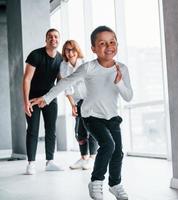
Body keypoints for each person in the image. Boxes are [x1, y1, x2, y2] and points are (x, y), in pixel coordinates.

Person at [30, 26, 133, 200]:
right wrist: (46, 98)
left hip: (112, 116)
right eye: (102, 43)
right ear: (93, 48)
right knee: (108, 145)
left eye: (112, 42)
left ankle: (115, 184)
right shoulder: (88, 68)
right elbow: (66, 82)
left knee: (118, 152)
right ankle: (96, 181)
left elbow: (128, 96)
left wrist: (120, 83)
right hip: (91, 115)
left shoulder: (122, 69)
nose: (109, 46)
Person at [22, 28, 64, 175]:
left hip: (49, 98)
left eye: (56, 37)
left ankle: (50, 161)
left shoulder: (61, 59)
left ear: (59, 40)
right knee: (32, 130)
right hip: (33, 97)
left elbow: (61, 83)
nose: (53, 39)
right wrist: (26, 101)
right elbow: (26, 79)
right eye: (50, 37)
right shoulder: (35, 55)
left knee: (51, 129)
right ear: (46, 39)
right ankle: (31, 163)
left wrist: (50, 98)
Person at [60, 40, 98, 170]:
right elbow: (67, 87)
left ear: (77, 51)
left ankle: (92, 158)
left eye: (73, 50)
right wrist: (73, 105)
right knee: (79, 130)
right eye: (67, 50)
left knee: (92, 129)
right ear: (64, 52)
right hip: (78, 101)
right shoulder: (64, 66)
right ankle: (83, 158)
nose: (70, 53)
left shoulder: (85, 64)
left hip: (90, 99)